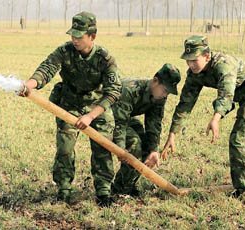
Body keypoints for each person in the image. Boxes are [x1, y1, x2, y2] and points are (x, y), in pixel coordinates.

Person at [19, 12, 121, 207]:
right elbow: (47, 69)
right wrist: (29, 85)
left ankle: (103, 191)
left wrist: (91, 116)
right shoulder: (64, 51)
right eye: (72, 35)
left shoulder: (105, 58)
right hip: (69, 104)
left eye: (79, 36)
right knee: (65, 149)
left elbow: (113, 92)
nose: (74, 40)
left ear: (92, 36)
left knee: (102, 149)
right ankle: (64, 189)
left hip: (97, 106)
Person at [161, 35, 245, 197]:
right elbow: (185, 103)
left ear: (207, 56)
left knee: (239, 140)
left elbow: (226, 94)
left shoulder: (223, 65)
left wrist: (216, 118)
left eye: (194, 60)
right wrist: (172, 134)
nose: (190, 64)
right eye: (187, 60)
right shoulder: (194, 74)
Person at [111, 64, 181, 196]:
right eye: (165, 90)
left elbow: (154, 123)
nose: (166, 95)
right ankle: (121, 190)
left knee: (145, 147)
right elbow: (119, 123)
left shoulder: (159, 97)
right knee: (134, 143)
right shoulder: (129, 89)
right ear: (155, 81)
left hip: (125, 117)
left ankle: (124, 185)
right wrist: (120, 149)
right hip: (106, 118)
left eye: (168, 92)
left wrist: (153, 150)